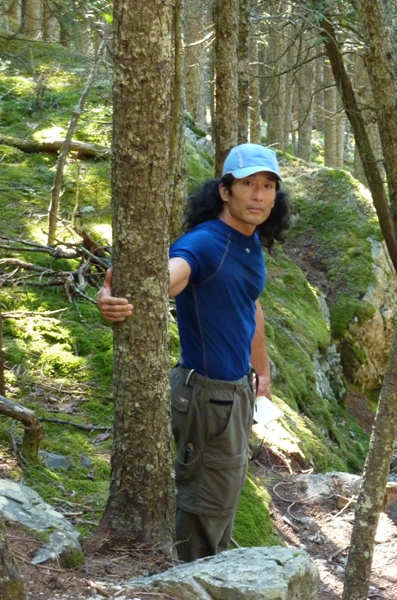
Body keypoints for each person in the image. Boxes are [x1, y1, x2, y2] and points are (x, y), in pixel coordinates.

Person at [97, 143, 291, 561]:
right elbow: (166, 279)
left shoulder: (248, 241)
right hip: (207, 398)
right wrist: (114, 298)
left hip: (235, 392)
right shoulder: (205, 243)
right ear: (225, 191)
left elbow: (250, 304)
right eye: (248, 185)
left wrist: (263, 377)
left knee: (220, 503)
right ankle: (188, 580)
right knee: (205, 508)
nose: (259, 195)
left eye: (268, 185)